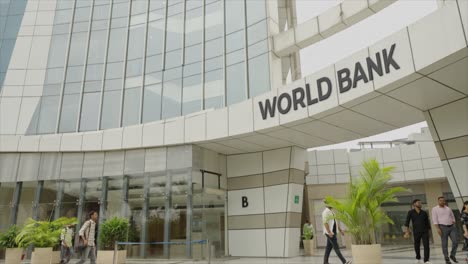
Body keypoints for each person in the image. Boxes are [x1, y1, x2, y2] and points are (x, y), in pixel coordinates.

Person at [431, 196, 458, 264]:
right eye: (440, 200)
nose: (442, 202)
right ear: (438, 201)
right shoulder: (435, 209)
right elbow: (435, 219)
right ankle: (446, 258)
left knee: (455, 242)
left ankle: (452, 255)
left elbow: (452, 216)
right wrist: (437, 228)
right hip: (442, 227)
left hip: (451, 227)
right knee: (444, 243)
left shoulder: (448, 208)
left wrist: (453, 221)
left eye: (443, 200)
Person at [404, 199, 431, 264]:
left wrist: (429, 232)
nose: (420, 204)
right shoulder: (410, 212)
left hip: (425, 231)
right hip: (416, 231)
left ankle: (426, 260)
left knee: (426, 245)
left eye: (421, 203)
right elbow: (407, 222)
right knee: (417, 245)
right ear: (414, 204)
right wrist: (406, 232)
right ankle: (418, 257)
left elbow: (427, 223)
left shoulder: (424, 213)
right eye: (418, 203)